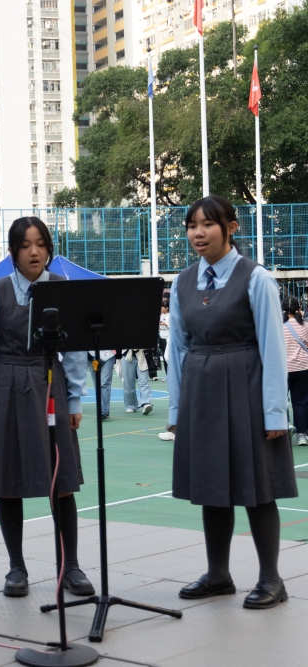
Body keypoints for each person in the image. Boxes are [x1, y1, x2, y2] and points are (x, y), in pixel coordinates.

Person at [168, 195, 297, 610]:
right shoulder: (182, 282)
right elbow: (178, 348)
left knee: (258, 487)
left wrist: (274, 411)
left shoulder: (256, 278)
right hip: (201, 391)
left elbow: (273, 348)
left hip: (247, 387)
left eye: (207, 224)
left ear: (231, 228)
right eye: (192, 225)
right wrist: (177, 409)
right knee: (211, 486)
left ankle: (271, 579)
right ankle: (218, 575)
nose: (198, 233)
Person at [0, 216, 93, 598]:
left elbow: (75, 350)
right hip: (6, 386)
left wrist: (75, 398)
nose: (34, 252)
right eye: (25, 245)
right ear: (13, 251)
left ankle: (70, 567)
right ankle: (16, 568)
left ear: (49, 249)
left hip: (51, 384)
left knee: (62, 481)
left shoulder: (62, 288)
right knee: (9, 482)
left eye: (40, 244)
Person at [283, 296, 308, 447]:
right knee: (301, 401)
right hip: (302, 367)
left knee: (282, 400)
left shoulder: (278, 325)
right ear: (299, 308)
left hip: (283, 368)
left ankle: (286, 428)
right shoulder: (305, 325)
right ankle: (302, 435)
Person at [119, 349, 154, 415]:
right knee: (128, 383)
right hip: (127, 354)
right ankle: (130, 405)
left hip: (143, 354)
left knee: (144, 381)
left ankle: (146, 403)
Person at [88, 349, 116, 419]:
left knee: (104, 383)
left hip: (108, 355)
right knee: (97, 385)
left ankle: (104, 410)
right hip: (92, 357)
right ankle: (102, 409)